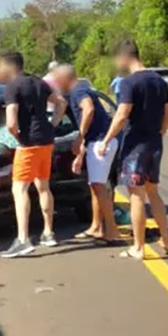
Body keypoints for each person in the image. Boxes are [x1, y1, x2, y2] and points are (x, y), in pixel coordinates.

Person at [97, 41, 168, 260]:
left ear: (125, 57)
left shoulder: (130, 83)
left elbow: (122, 114)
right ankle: (166, 239)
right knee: (153, 191)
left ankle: (138, 247)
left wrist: (106, 140)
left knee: (136, 195)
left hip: (136, 146)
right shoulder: (159, 81)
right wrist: (161, 131)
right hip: (154, 142)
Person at [0, 52, 68, 258]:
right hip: (46, 141)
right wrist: (53, 124)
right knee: (43, 185)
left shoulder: (13, 87)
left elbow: (11, 122)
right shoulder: (38, 82)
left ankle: (23, 239)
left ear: (10, 67)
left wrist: (18, 136)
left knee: (19, 189)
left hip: (28, 143)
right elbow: (61, 102)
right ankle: (48, 233)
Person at [54, 65, 120, 244]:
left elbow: (88, 109)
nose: (56, 84)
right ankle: (96, 226)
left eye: (57, 80)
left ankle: (112, 230)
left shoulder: (78, 91)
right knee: (94, 186)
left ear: (65, 79)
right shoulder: (79, 90)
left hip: (100, 142)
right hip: (95, 141)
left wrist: (79, 137)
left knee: (99, 186)